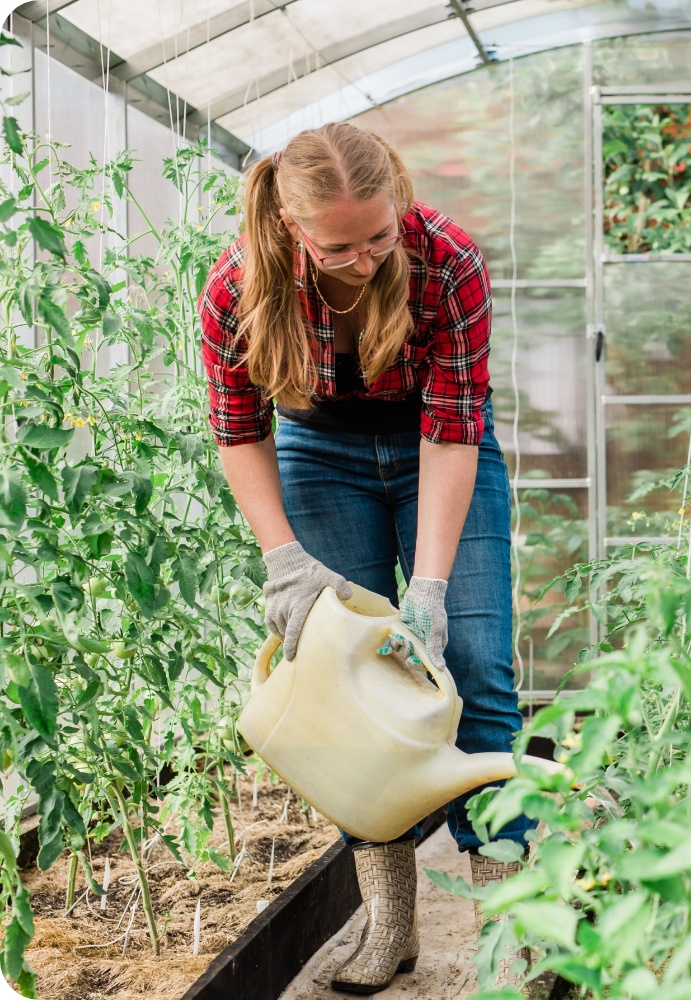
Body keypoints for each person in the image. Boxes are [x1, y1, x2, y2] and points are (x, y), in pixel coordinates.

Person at [198, 122, 531, 994]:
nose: (365, 257)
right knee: (345, 688)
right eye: (339, 245)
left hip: (440, 448)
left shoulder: (447, 260)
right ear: (291, 224)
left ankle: (515, 932)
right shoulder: (238, 284)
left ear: (400, 201)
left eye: (380, 235)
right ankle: (391, 926)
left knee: (476, 669)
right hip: (318, 455)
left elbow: (454, 425)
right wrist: (284, 561)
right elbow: (239, 430)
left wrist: (427, 588)